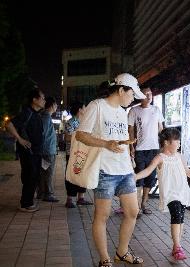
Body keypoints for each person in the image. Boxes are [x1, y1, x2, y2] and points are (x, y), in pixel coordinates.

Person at [75, 73, 145, 267]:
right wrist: (106, 143)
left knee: (132, 212)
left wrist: (126, 146)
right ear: (121, 90)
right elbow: (81, 135)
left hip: (124, 169)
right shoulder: (96, 106)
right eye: (132, 94)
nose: (133, 98)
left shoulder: (123, 112)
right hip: (105, 170)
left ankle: (121, 253)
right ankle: (104, 259)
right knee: (102, 216)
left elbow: (117, 138)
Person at [136, 128, 190, 260]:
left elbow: (187, 171)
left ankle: (177, 246)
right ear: (167, 142)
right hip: (170, 193)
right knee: (176, 215)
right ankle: (178, 246)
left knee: (181, 219)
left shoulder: (179, 156)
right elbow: (148, 170)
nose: (179, 143)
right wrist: (134, 177)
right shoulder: (160, 158)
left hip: (182, 191)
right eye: (177, 140)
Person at [6, 89, 45, 212]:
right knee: (30, 176)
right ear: (34, 99)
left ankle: (28, 200)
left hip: (36, 152)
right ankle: (25, 204)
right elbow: (9, 124)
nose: (44, 101)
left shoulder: (37, 114)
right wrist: (20, 140)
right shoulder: (27, 112)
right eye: (42, 98)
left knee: (34, 176)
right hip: (29, 152)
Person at [128, 87, 164, 215]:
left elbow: (161, 129)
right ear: (140, 96)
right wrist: (131, 146)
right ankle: (136, 207)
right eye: (146, 94)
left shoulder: (156, 110)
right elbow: (131, 130)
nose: (149, 96)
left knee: (150, 178)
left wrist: (164, 145)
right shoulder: (134, 110)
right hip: (140, 150)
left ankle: (143, 204)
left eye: (151, 94)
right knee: (139, 178)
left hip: (154, 149)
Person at [64, 101, 93, 208]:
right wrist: (81, 137)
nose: (86, 109)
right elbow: (67, 137)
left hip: (84, 152)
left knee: (83, 174)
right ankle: (69, 199)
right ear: (80, 110)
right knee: (71, 175)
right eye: (84, 107)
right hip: (72, 153)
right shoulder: (71, 122)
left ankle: (81, 197)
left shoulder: (86, 122)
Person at [37, 96, 59, 202]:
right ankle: (48, 194)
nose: (57, 106)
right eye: (56, 105)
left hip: (46, 150)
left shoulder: (44, 116)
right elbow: (43, 134)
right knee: (48, 172)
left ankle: (41, 193)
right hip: (47, 151)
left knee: (43, 172)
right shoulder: (46, 117)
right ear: (52, 105)